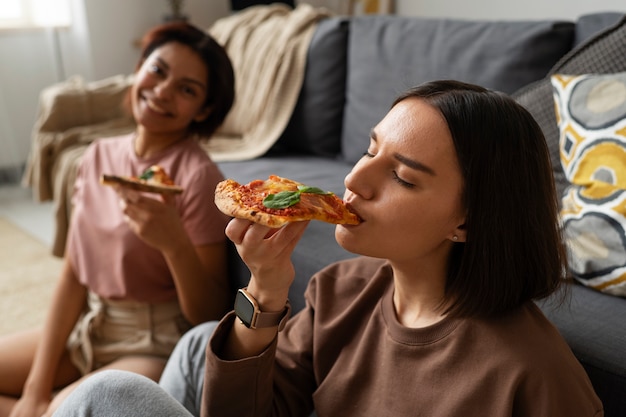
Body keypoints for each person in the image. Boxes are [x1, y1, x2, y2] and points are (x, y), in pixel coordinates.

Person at [52, 80, 604, 417]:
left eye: (404, 178)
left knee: (106, 396)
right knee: (203, 343)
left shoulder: (531, 377)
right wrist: (264, 289)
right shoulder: (341, 289)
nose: (356, 180)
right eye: (369, 150)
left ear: (468, 221)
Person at [0, 21, 235, 417]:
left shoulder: (198, 175)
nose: (162, 91)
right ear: (140, 67)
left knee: (64, 411)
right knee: (36, 402)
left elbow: (209, 315)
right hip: (93, 326)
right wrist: (35, 388)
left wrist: (173, 242)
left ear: (204, 110)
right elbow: (74, 275)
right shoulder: (97, 156)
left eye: (187, 89)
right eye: (158, 70)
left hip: (153, 341)